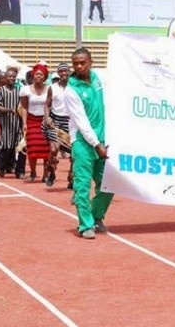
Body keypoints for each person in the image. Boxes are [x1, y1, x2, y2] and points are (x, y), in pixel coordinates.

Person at [64, 48, 113, 239]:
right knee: (82, 186)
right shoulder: (71, 90)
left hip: (104, 140)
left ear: (90, 61)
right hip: (84, 143)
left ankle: (96, 215)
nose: (78, 66)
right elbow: (82, 122)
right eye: (75, 63)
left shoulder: (99, 79)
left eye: (82, 62)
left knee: (109, 184)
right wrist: (96, 144)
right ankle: (85, 225)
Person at [42, 63, 72, 187]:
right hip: (55, 121)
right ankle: (51, 171)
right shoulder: (52, 87)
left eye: (66, 71)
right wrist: (47, 117)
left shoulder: (75, 87)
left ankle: (72, 177)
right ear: (58, 73)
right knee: (54, 149)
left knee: (74, 154)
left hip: (71, 122)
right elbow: (47, 104)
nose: (64, 73)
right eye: (61, 71)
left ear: (69, 72)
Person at [20, 63, 51, 182]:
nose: (39, 76)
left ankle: (46, 174)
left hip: (45, 121)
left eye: (41, 74)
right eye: (37, 74)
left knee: (46, 149)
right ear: (33, 75)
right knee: (32, 148)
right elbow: (24, 107)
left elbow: (50, 105)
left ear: (45, 77)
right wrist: (24, 123)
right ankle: (33, 172)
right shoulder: (25, 90)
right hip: (32, 121)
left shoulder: (49, 89)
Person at [0, 67, 22, 177]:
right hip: (5, 123)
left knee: (20, 147)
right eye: (9, 76)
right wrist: (9, 110)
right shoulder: (1, 90)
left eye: (13, 76)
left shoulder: (19, 90)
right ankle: (1, 168)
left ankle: (19, 170)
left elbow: (23, 106)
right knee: (5, 146)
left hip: (18, 123)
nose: (11, 78)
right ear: (5, 78)